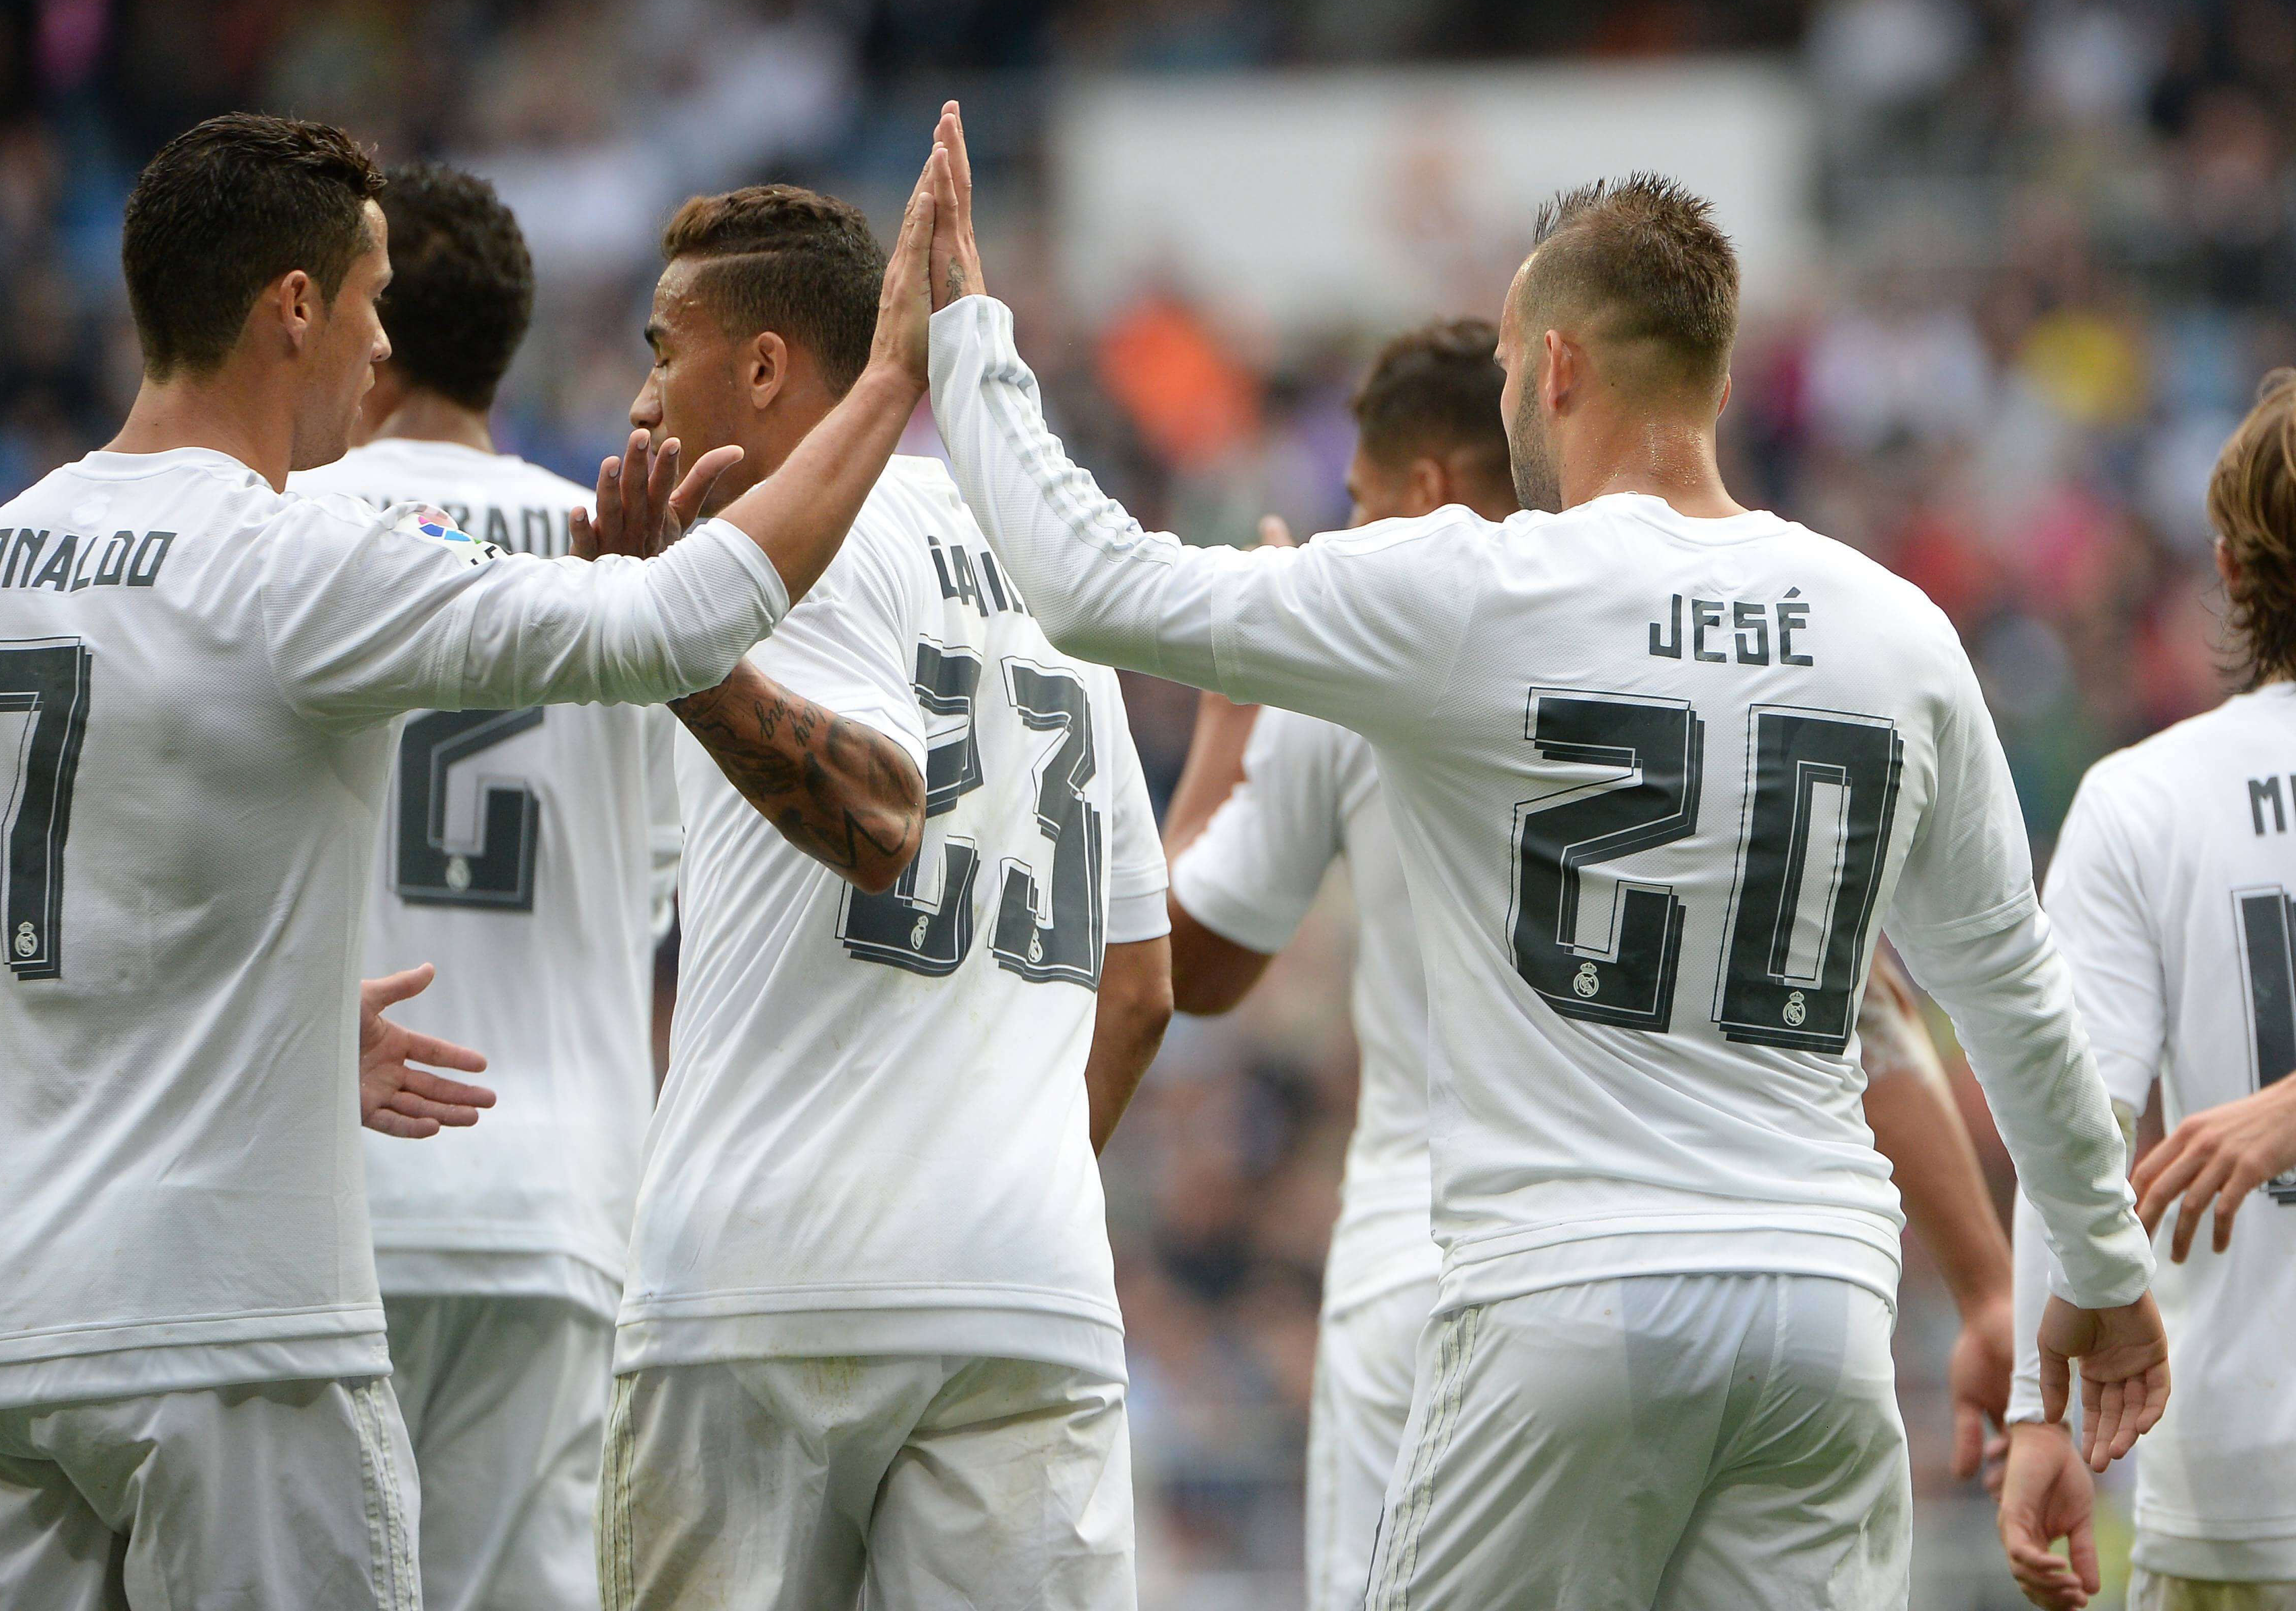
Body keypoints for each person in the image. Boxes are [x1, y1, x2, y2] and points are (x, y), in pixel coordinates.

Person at [916, 104, 2163, 1609]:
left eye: (1509, 361)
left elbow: (1094, 585)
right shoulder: (1893, 627)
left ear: (1559, 366)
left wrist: (968, 334)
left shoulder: (1476, 590)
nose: (1504, 386)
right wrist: (2099, 1269)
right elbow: (2011, 995)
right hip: (1825, 1318)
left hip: (1563, 1297)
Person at [0, 114, 941, 1609]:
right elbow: (668, 627)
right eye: (371, 303)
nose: (382, 350)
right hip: (232, 1340)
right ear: (292, 309)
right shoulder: (282, 558)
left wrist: (270, 1038)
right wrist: (892, 380)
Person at [1161, 318, 2017, 1611]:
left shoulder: (1364, 650)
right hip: (1746, 1278)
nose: (1347, 532)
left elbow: (1193, 961)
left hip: (1452, 1271)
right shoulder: (1728, 658)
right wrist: (1990, 1283)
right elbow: (1865, 1016)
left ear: (1430, 489)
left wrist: (1226, 729)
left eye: (1361, 499)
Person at [596, 177, 1174, 1611]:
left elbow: (875, 816)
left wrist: (679, 653)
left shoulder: (771, 546)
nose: (642, 399)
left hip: (769, 1282)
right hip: (1027, 1283)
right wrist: (1005, 1172)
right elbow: (1144, 985)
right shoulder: (1048, 566)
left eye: (663, 350)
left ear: (767, 368)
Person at [289, 162, 679, 1611]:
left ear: (365, 326)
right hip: (560, 1189)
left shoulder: (284, 533)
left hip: (328, 1177)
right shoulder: (621, 560)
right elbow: (657, 878)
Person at [2000, 370, 2296, 1611]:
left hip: (2235, 1468)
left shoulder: (2142, 799)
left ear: (2225, 570)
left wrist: (2037, 1407)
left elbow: (2069, 1129)